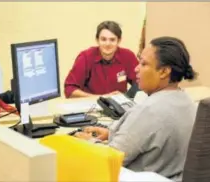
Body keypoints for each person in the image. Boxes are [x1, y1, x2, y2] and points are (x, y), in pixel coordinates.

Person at [74, 36, 198, 181]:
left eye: (144, 64)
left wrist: (90, 142)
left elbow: (109, 161)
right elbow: (152, 137)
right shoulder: (188, 102)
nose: (136, 69)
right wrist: (112, 133)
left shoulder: (148, 111)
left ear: (164, 71)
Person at [64, 21, 139, 98]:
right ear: (97, 40)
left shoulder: (128, 56)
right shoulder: (85, 57)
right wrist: (102, 98)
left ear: (119, 41)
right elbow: (69, 90)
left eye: (112, 40)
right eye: (103, 39)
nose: (107, 44)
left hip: (118, 107)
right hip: (91, 106)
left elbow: (141, 82)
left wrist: (127, 97)